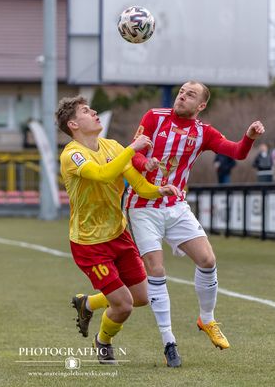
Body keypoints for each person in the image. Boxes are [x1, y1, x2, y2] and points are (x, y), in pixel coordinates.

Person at [123, 81, 264, 367]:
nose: (182, 96)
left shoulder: (204, 132)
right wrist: (143, 164)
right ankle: (169, 342)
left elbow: (237, 152)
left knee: (207, 259)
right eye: (181, 91)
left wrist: (248, 136)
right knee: (157, 269)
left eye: (190, 94)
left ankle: (207, 319)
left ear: (201, 106)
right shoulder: (154, 117)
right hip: (142, 206)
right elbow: (134, 151)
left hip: (176, 206)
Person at [56, 96, 180, 365]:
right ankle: (103, 341)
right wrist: (132, 148)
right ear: (74, 124)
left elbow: (138, 185)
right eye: (87, 111)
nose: (95, 112)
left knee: (141, 298)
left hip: (119, 234)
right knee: (123, 304)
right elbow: (102, 174)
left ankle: (87, 304)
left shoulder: (112, 146)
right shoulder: (72, 155)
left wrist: (158, 190)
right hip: (90, 244)